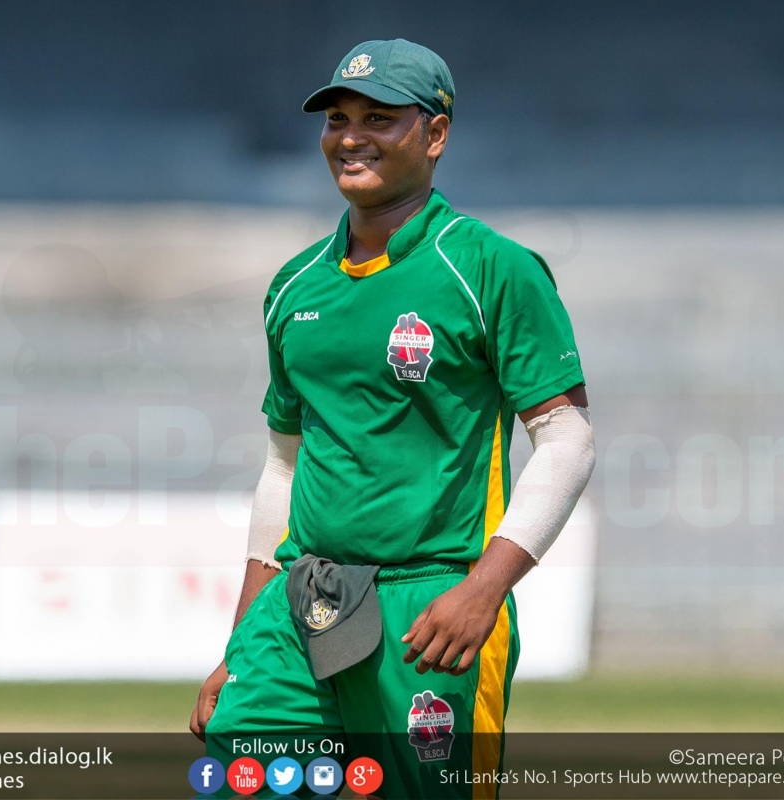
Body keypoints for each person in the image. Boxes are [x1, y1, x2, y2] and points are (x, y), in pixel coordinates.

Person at [189, 38, 596, 799]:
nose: (351, 137)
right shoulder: (295, 284)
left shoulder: (491, 267)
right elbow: (284, 465)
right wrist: (241, 640)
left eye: (378, 118)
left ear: (434, 135)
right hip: (302, 600)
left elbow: (567, 443)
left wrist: (483, 590)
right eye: (337, 118)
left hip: (431, 605)